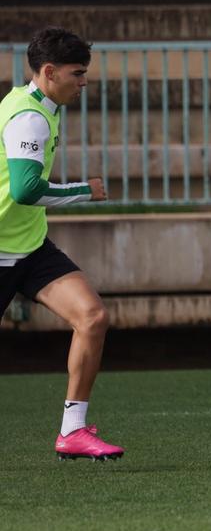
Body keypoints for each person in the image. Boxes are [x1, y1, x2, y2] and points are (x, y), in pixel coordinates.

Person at [0, 27, 123, 461]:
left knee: (92, 316)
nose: (84, 82)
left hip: (29, 247)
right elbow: (26, 191)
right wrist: (84, 191)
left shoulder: (41, 105)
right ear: (49, 72)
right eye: (78, 73)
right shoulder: (29, 115)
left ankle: (73, 431)